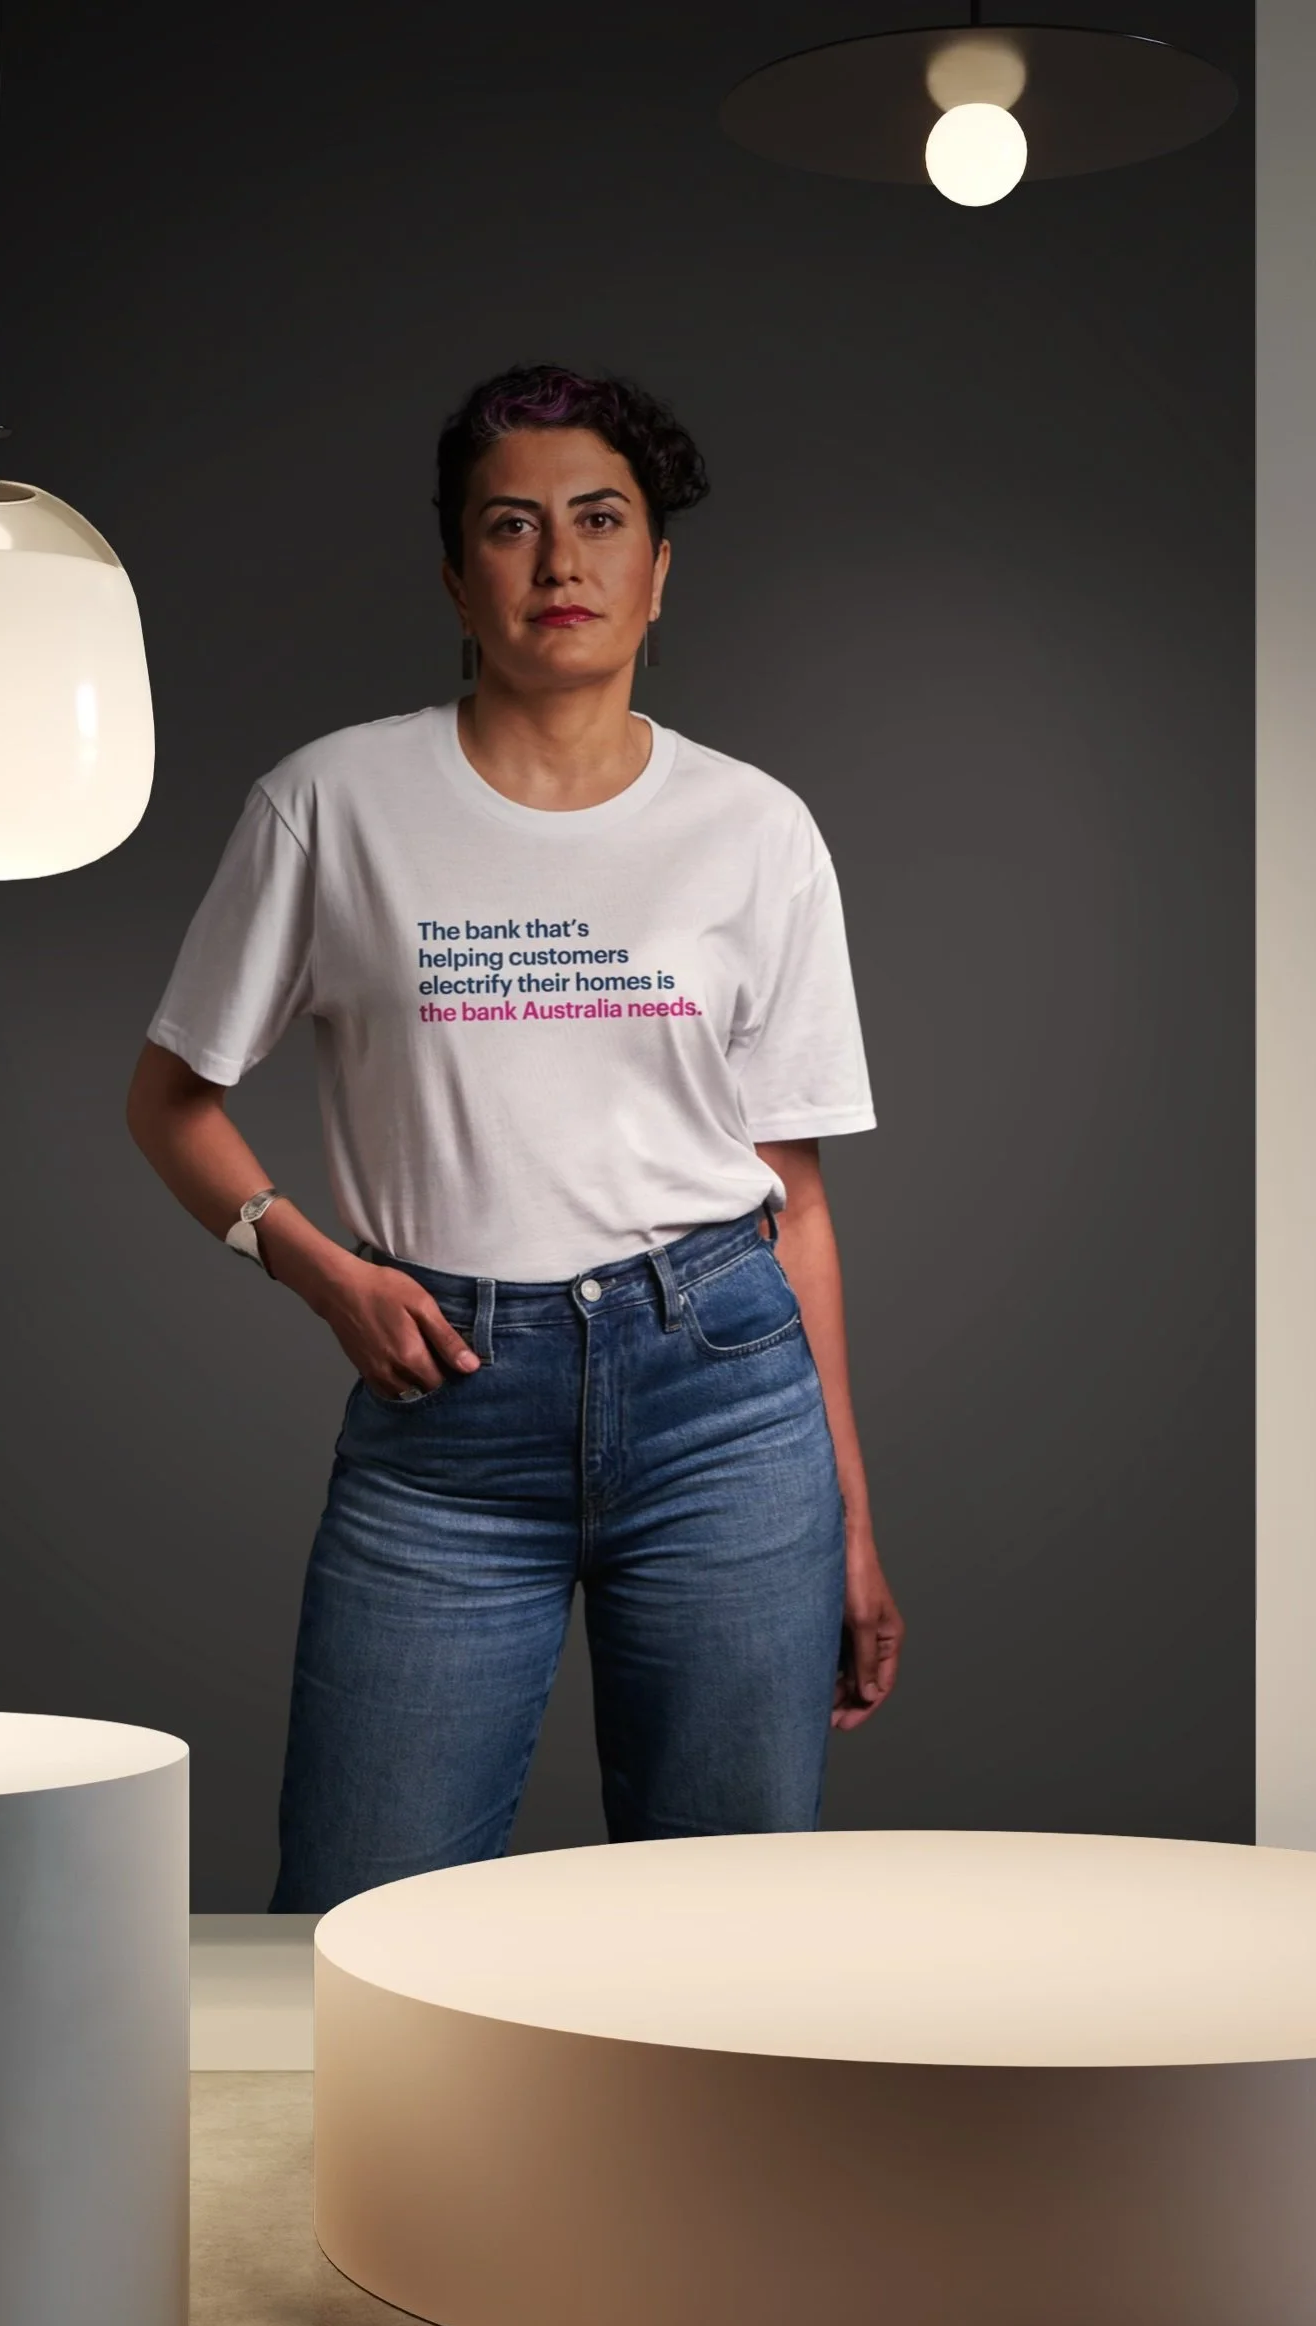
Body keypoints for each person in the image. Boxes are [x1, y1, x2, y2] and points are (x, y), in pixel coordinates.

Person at [125, 362, 902, 1912]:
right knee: (356, 1928)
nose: (560, 564)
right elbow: (170, 1103)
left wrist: (853, 1528)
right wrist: (319, 1269)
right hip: (447, 1428)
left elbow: (794, 1199)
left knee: (731, 1935)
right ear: (454, 572)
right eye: (513, 526)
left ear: (659, 569)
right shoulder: (330, 806)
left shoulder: (758, 830)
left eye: (601, 521)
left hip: (727, 1407)